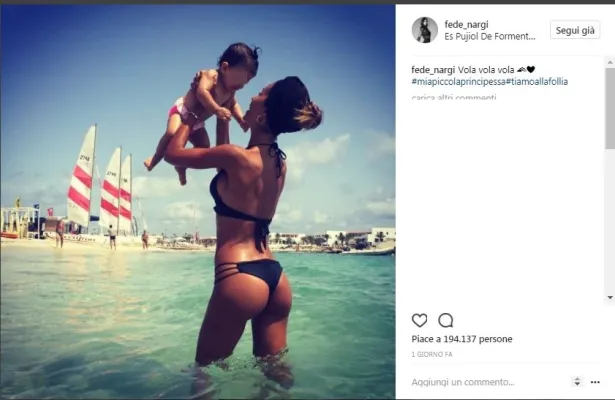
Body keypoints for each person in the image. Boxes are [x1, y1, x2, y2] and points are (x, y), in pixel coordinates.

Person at [164, 76, 323, 392]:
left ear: (262, 116)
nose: (252, 96)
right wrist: (221, 110)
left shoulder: (236, 158)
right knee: (275, 373)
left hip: (238, 276)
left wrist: (193, 113)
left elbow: (173, 153)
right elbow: (225, 158)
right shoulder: (278, 165)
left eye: (261, 93)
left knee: (204, 373)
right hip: (275, 278)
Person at [144, 42, 261, 186]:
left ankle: (181, 166)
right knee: (171, 133)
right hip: (182, 111)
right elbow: (201, 92)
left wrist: (241, 121)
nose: (242, 86)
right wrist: (216, 109)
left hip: (197, 122)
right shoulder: (211, 75)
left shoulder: (230, 91)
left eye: (246, 83)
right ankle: (155, 159)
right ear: (225, 68)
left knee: (204, 146)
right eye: (241, 82)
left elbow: (233, 104)